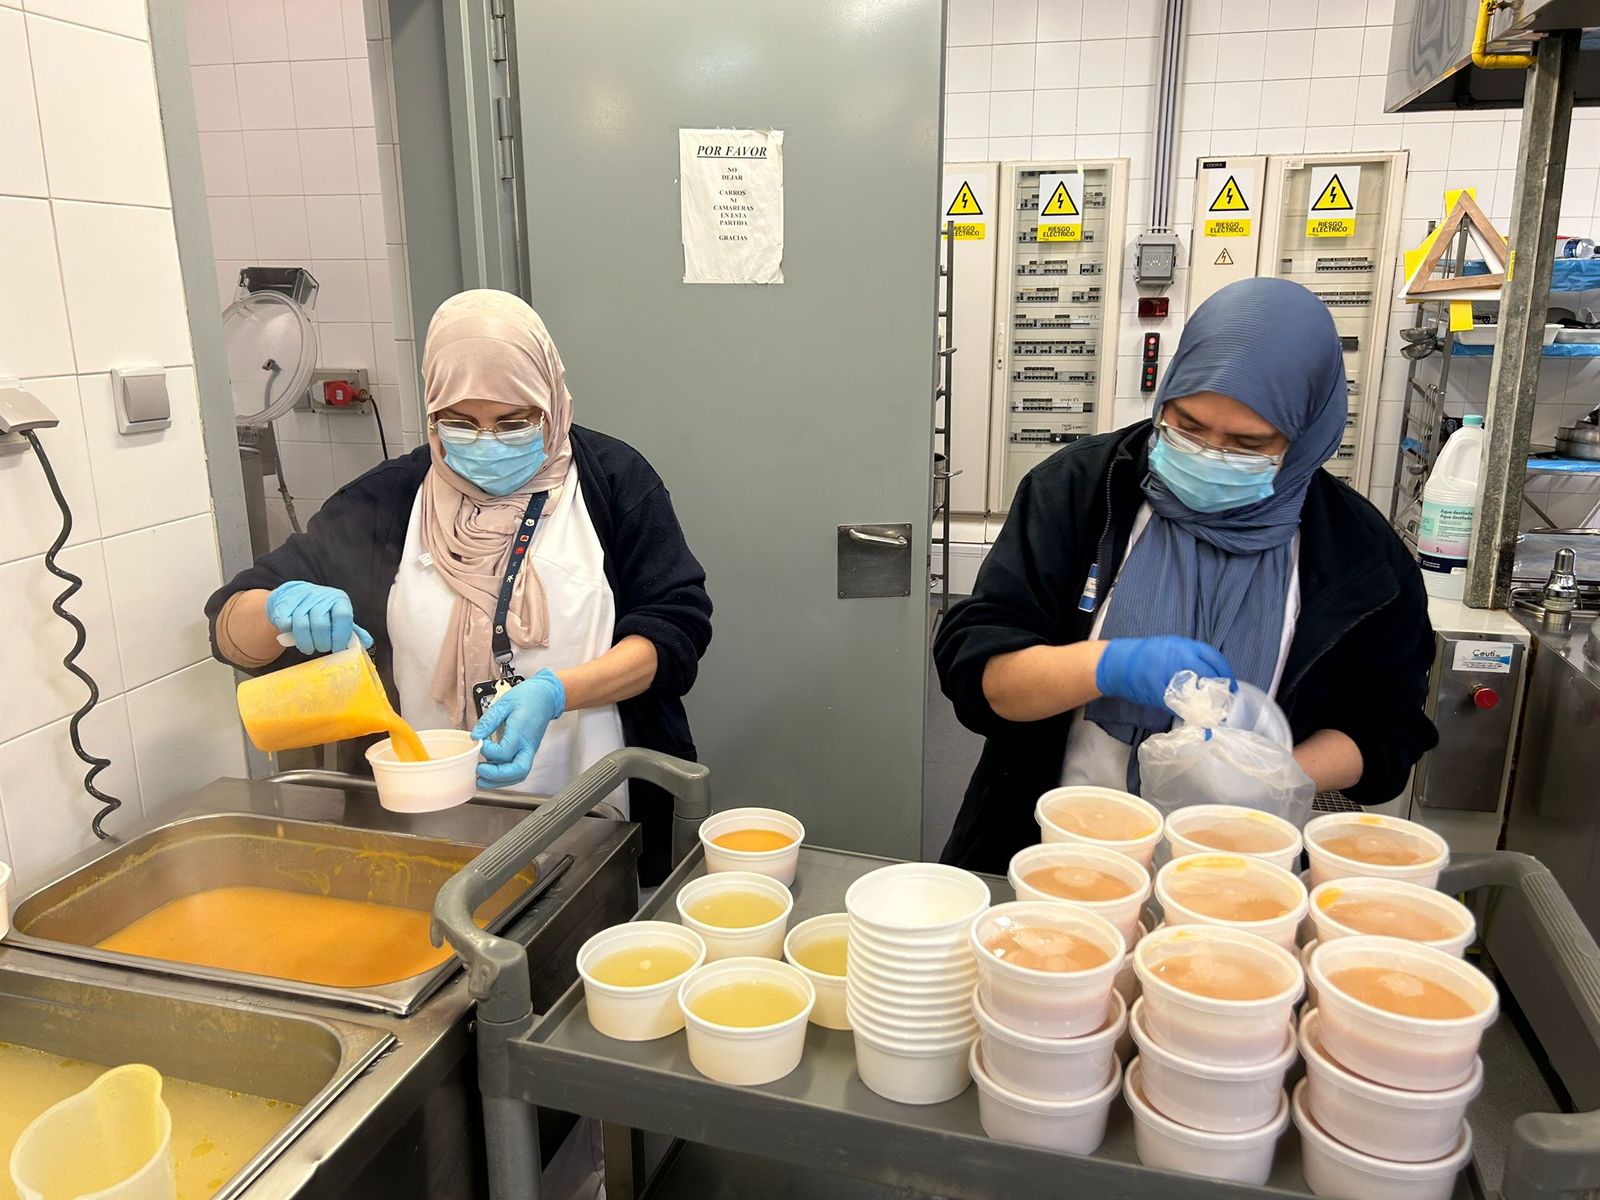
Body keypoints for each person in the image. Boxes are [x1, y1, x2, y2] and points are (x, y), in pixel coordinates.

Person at [934, 277, 1438, 873]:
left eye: (1249, 442)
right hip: (1050, 848)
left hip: (1238, 865)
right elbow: (979, 672)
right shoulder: (1079, 492)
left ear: (1306, 436)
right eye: (1188, 426)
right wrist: (1108, 666)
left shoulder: (1360, 557)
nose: (1209, 454)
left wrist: (1278, 778)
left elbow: (1388, 732)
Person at [207, 289, 712, 884]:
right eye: (462, 423)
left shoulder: (613, 482)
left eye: (513, 421)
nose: (488, 441)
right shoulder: (388, 501)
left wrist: (556, 692)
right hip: (426, 818)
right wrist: (276, 610)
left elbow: (676, 628)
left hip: (599, 807)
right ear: (432, 412)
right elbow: (230, 632)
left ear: (549, 402)